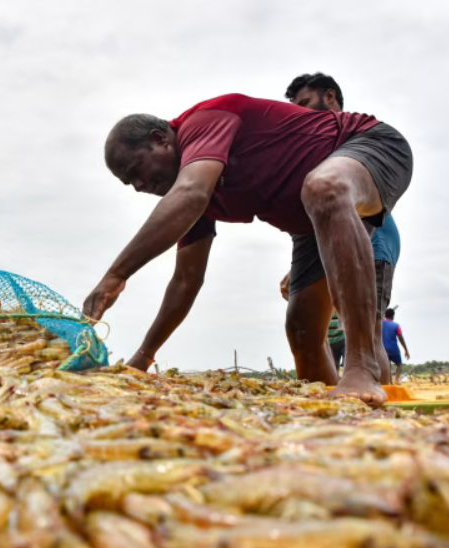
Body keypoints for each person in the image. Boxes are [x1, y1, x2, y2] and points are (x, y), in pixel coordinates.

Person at [83, 93, 412, 405]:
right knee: (302, 328)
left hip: (370, 149)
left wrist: (116, 275)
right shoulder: (194, 197)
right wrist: (143, 358)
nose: (139, 186)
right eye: (130, 184)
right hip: (311, 222)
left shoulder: (204, 122)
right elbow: (185, 281)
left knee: (325, 187)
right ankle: (344, 419)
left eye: (136, 171)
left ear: (161, 139)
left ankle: (361, 368)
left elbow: (190, 194)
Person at [281, 73, 402, 386]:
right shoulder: (320, 146)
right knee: (341, 327)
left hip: (373, 240)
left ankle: (382, 405)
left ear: (330, 97)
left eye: (305, 103)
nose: (300, 113)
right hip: (348, 241)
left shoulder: (353, 138)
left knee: (369, 331)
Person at [382, 307, 410, 383]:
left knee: (387, 366)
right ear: (393, 316)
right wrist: (406, 350)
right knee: (399, 365)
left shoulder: (380, 324)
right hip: (393, 349)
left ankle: (389, 381)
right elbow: (401, 338)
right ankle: (397, 379)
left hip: (383, 349)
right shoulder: (396, 326)